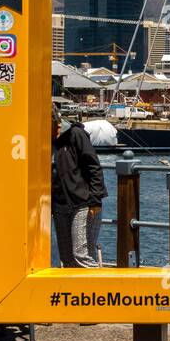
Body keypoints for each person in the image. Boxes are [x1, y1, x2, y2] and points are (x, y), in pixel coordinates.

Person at [51, 105, 106, 267]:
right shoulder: (43, 139)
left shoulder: (75, 134)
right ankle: (75, 291)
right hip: (60, 204)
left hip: (83, 202)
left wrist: (95, 199)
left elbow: (93, 166)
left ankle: (100, 290)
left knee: (81, 256)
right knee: (67, 258)